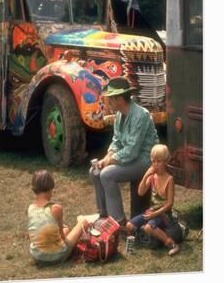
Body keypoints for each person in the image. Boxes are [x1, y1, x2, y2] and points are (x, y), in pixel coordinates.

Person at [90, 76, 159, 225]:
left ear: (120, 99)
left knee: (107, 175)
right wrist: (107, 157)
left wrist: (110, 161)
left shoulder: (140, 115)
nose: (108, 102)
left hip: (145, 160)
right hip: (130, 158)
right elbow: (117, 142)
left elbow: (132, 151)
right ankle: (103, 216)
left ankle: (118, 222)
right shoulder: (120, 115)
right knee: (95, 171)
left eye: (110, 98)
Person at [125, 144, 180, 256]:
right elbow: (140, 192)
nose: (155, 164)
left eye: (159, 161)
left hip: (164, 215)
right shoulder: (152, 176)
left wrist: (154, 214)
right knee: (129, 226)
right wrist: (146, 175)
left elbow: (169, 203)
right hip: (151, 212)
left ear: (165, 161)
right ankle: (135, 243)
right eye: (153, 161)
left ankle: (172, 244)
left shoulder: (169, 179)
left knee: (149, 227)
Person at [28, 170, 88, 264]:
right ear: (50, 188)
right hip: (57, 256)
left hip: (37, 256)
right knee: (83, 222)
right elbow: (62, 237)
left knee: (66, 229)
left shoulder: (31, 208)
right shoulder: (56, 208)